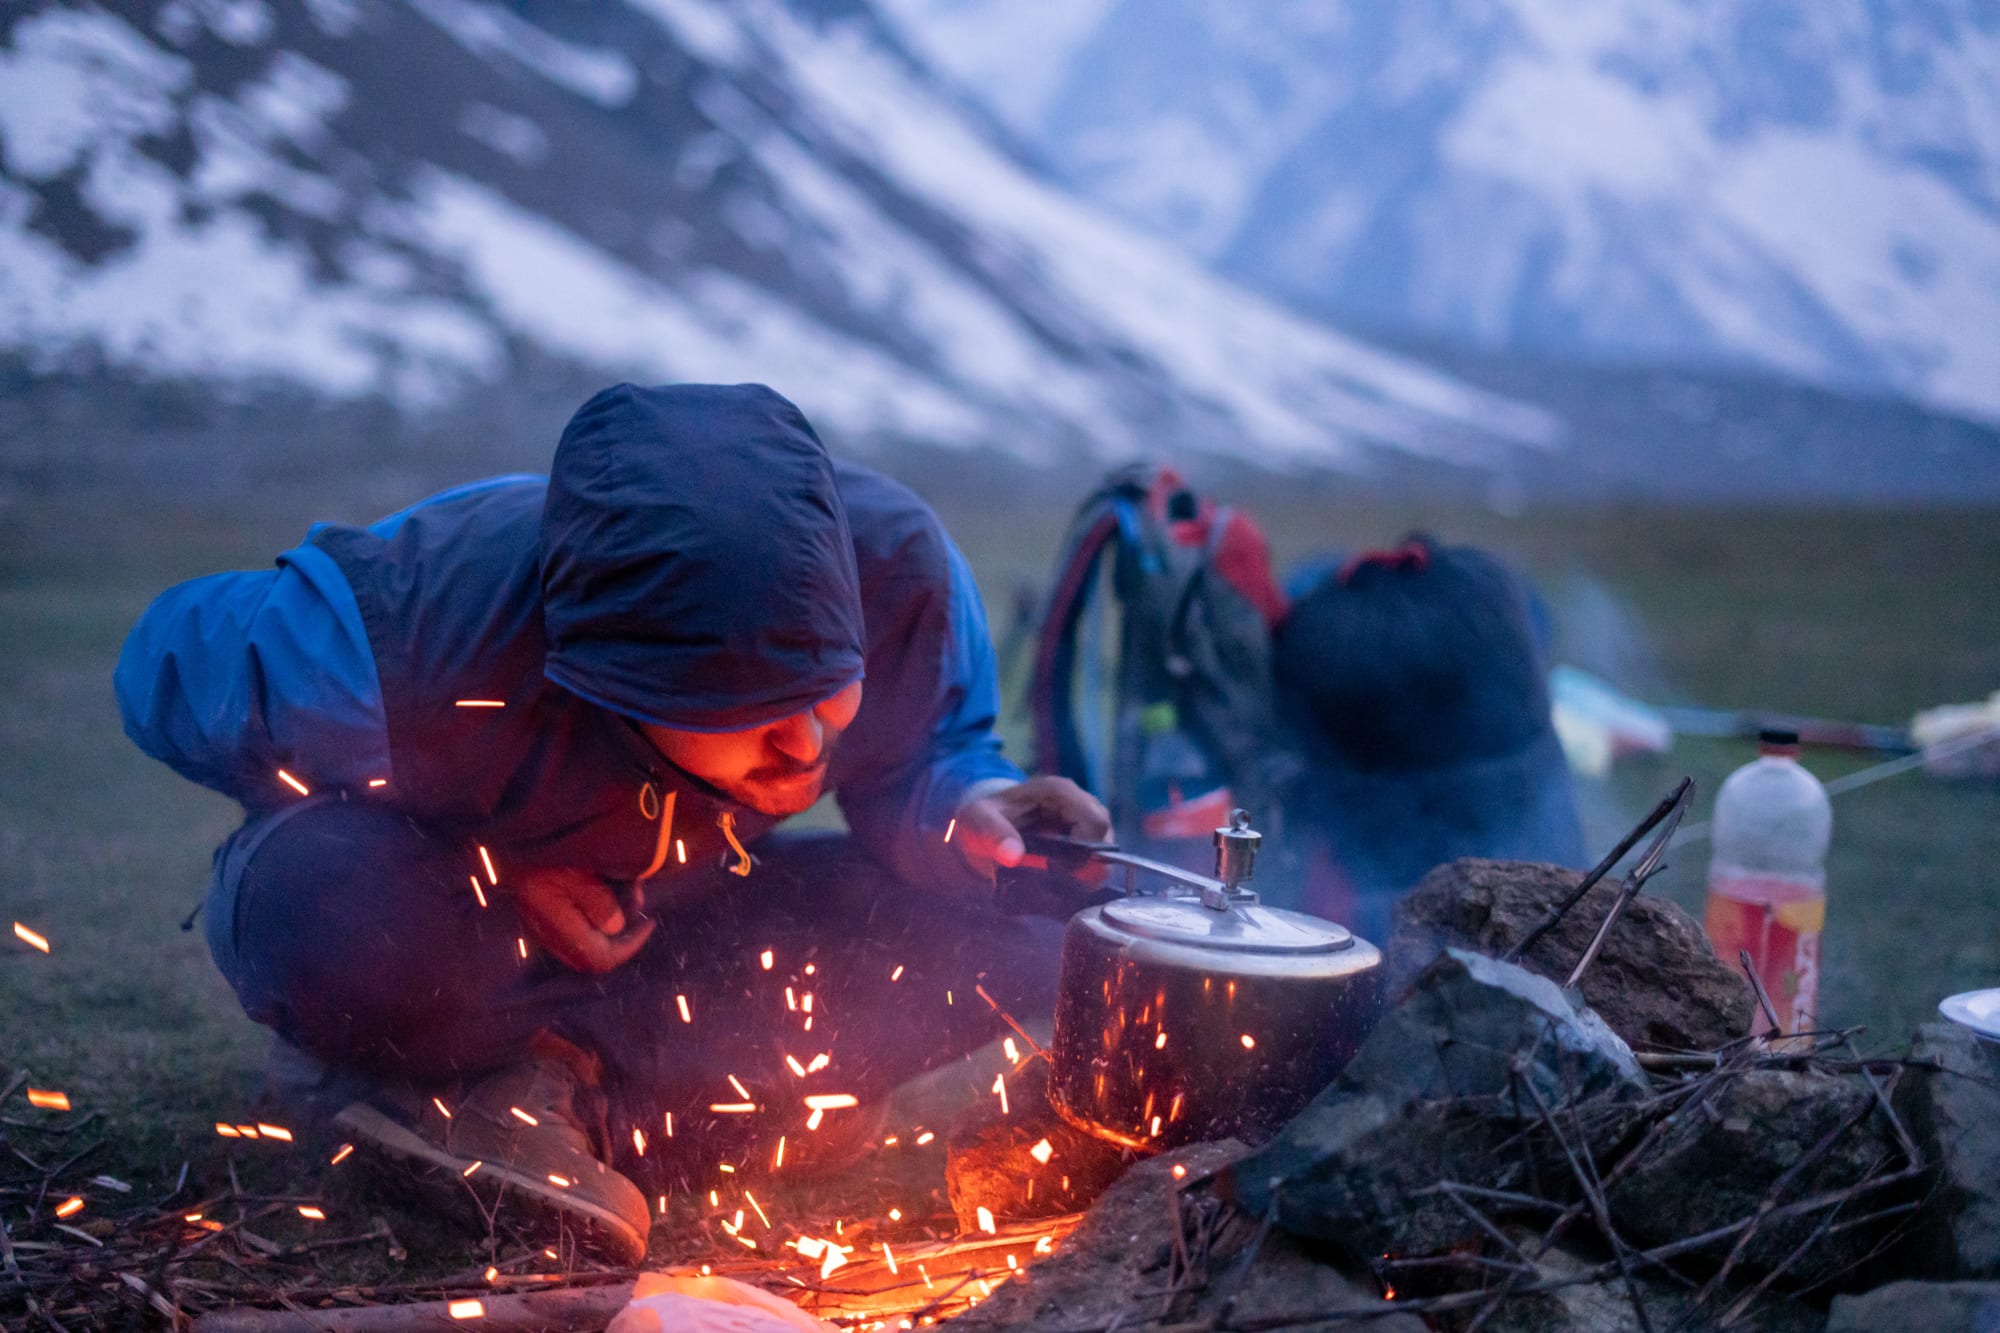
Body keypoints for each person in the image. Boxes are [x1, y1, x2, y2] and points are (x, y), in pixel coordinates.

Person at [115, 383, 1109, 1263]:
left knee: (1032, 919)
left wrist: (969, 811)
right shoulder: (415, 629)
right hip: (445, 912)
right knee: (334, 909)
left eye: (827, 689)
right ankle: (423, 1079)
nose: (808, 748)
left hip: (661, 917)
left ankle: (567, 1095)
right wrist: (488, 854)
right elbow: (158, 665)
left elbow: (918, 755)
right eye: (755, 711)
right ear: (617, 684)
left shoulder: (894, 579)